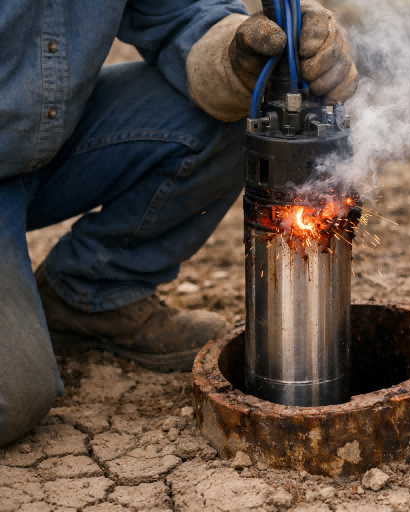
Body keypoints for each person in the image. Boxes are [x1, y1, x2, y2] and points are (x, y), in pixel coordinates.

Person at [0, 0, 358, 446]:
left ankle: (90, 293)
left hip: (43, 139)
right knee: (13, 398)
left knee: (232, 106)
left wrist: (236, 54)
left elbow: (179, 13)